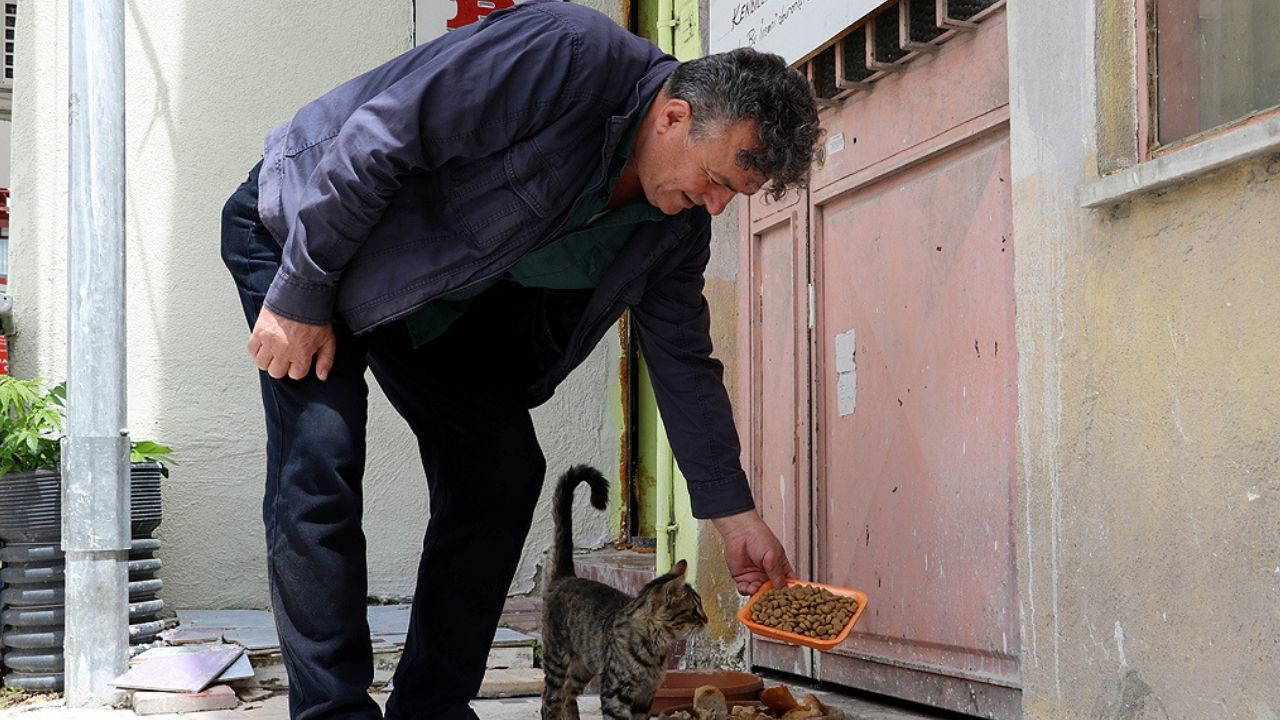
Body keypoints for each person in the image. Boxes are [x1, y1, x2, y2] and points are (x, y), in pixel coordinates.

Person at [220, 2, 820, 719]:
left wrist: (735, 515)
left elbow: (685, 364)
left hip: (425, 301)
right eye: (716, 179)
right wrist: (300, 294)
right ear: (673, 118)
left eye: (734, 196)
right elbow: (379, 136)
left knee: (500, 469)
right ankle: (332, 712)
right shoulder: (567, 54)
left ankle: (432, 709)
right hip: (309, 231)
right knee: (318, 463)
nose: (716, 208)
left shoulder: (674, 227)